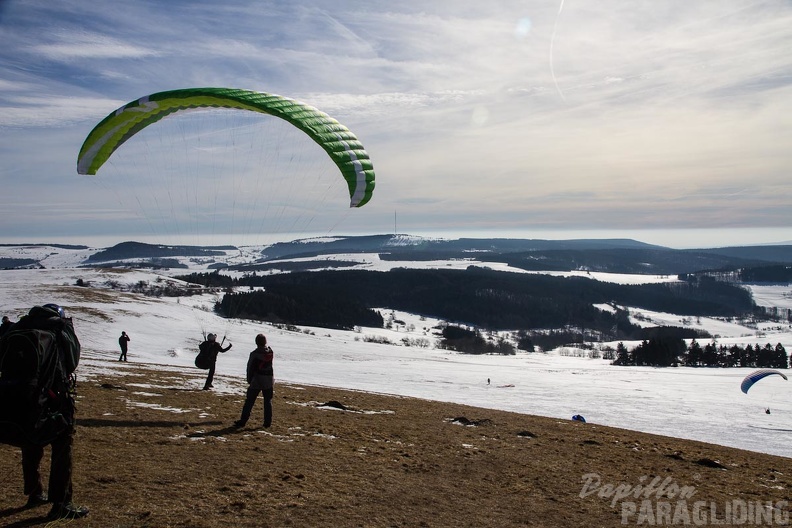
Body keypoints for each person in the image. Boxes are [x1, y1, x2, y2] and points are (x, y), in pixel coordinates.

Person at [11, 304, 89, 519]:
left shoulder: (20, 327)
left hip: (21, 397)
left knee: (30, 443)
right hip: (54, 396)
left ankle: (35, 493)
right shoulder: (58, 328)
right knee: (62, 446)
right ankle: (61, 502)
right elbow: (72, 362)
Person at [234, 334, 274, 428]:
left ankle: (243, 421)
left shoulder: (254, 354)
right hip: (268, 380)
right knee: (267, 402)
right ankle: (267, 423)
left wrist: (249, 379)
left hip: (257, 380)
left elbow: (250, 367)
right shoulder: (270, 353)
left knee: (249, 402)